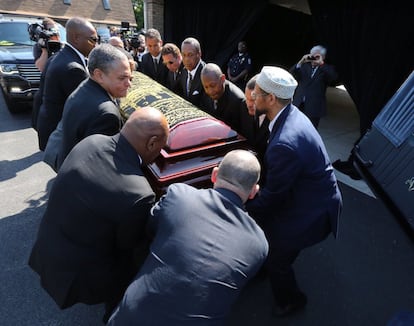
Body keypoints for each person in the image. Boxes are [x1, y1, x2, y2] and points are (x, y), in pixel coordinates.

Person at [28, 107, 169, 324]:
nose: (159, 153)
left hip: (48, 245)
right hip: (81, 275)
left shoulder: (91, 141)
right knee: (136, 264)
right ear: (151, 143)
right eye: (160, 147)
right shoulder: (138, 194)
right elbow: (128, 248)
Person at [107, 149, 269, 326]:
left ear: (214, 175)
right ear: (254, 191)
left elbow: (151, 229)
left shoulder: (179, 195)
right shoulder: (259, 244)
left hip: (132, 317)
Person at [245, 66, 342, 318]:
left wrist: (243, 206)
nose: (252, 97)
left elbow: (274, 197)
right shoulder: (289, 113)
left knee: (278, 255)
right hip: (305, 192)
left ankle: (291, 300)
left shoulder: (285, 143)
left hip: (311, 208)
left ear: (271, 99)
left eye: (256, 94)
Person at [44, 44, 131, 172]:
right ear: (99, 75)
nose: (129, 84)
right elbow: (101, 166)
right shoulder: (107, 115)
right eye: (122, 78)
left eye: (130, 77)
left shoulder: (85, 86)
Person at [36, 17, 97, 151]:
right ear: (76, 38)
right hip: (61, 137)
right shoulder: (72, 68)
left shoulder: (58, 57)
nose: (96, 45)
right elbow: (84, 108)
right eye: (93, 39)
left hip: (50, 128)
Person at [200, 63, 254, 139]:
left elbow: (244, 135)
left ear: (222, 79)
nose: (210, 91)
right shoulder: (205, 93)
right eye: (206, 87)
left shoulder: (239, 101)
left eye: (213, 86)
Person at [289, 44, 338, 129]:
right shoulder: (304, 66)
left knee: (310, 129)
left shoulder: (326, 68)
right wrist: (301, 62)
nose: (314, 59)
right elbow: (291, 74)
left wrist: (321, 64)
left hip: (314, 107)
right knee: (293, 127)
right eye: (312, 56)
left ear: (323, 57)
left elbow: (333, 77)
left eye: (317, 56)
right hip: (298, 103)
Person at [31, 17, 63, 130]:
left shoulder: (63, 46)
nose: (54, 33)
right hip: (47, 87)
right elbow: (40, 67)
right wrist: (45, 50)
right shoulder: (38, 47)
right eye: (51, 30)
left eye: (55, 31)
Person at [244, 74, 269, 166]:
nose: (249, 104)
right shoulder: (242, 107)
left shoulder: (275, 119)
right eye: (247, 98)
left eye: (253, 100)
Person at [179, 37, 206, 107]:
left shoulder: (206, 74)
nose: (186, 59)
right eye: (184, 55)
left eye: (190, 55)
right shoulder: (183, 72)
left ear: (199, 54)